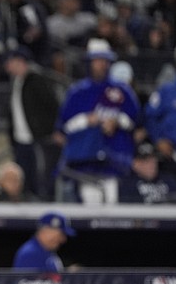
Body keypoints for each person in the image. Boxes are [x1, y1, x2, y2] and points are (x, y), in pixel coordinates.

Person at [55, 38, 141, 204]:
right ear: (89, 62)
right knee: (90, 209)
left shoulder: (122, 90)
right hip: (85, 161)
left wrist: (117, 121)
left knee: (114, 209)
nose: (101, 64)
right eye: (97, 60)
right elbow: (63, 128)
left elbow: (135, 121)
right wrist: (86, 120)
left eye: (104, 60)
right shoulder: (77, 92)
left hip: (115, 160)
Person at [3, 47, 61, 200]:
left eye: (10, 61)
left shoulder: (37, 80)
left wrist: (54, 130)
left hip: (39, 138)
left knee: (41, 177)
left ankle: (42, 204)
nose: (7, 65)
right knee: (24, 179)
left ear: (20, 62)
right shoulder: (17, 82)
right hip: (21, 140)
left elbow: (52, 106)